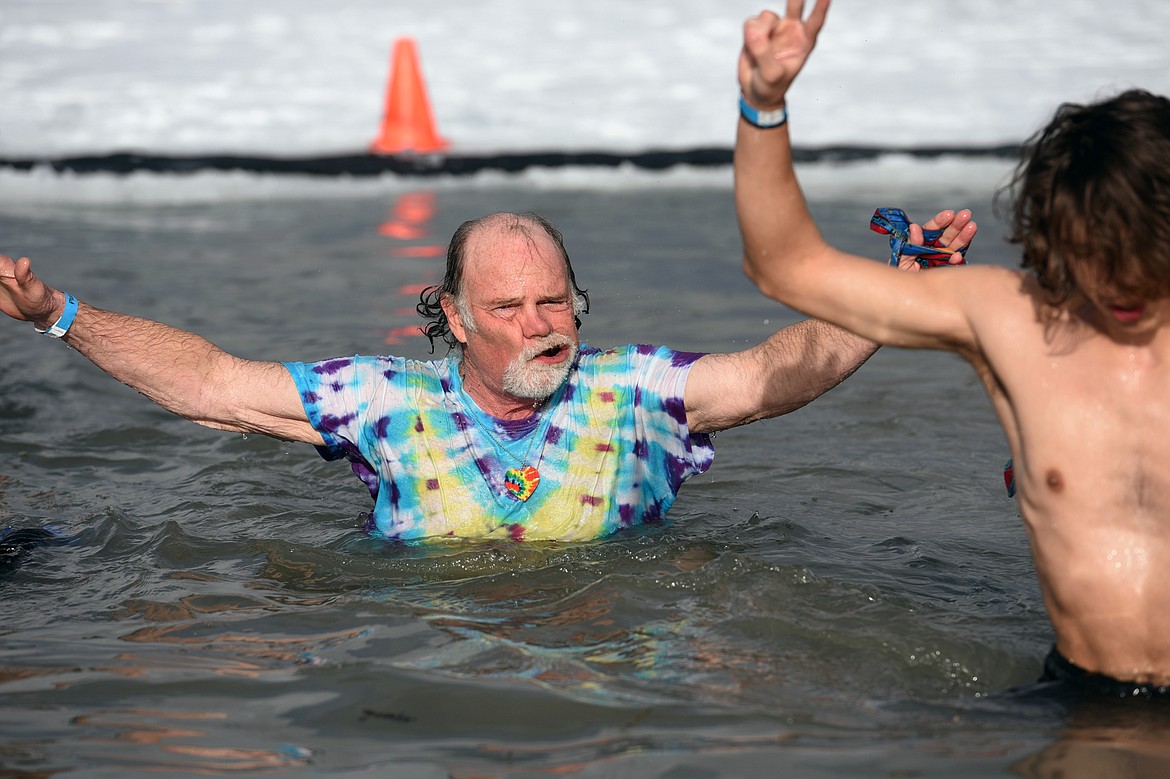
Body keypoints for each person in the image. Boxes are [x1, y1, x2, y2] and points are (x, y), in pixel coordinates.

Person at [735, 1, 1170, 693]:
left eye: (1137, 251)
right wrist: (764, 106)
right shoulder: (1014, 319)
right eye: (1092, 253)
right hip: (1086, 696)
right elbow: (786, 266)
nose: (1115, 279)